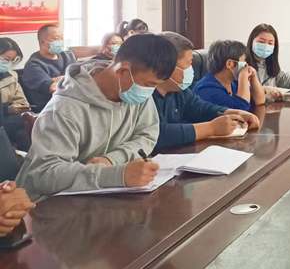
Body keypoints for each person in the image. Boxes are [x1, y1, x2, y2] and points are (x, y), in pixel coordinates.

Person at [16, 33, 175, 201]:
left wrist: (112, 160)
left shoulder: (134, 91)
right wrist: (115, 175)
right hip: (47, 204)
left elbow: (147, 134)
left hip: (101, 197)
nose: (149, 91)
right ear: (123, 70)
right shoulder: (64, 108)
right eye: (149, 84)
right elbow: (44, 174)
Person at [153, 32, 260, 153]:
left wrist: (234, 112)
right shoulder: (146, 95)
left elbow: (200, 108)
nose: (191, 69)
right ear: (167, 66)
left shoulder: (180, 91)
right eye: (189, 64)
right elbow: (157, 133)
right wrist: (211, 128)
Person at [194, 40, 268, 111]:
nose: (246, 65)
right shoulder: (207, 89)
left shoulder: (233, 83)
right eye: (244, 61)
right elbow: (241, 110)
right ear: (230, 64)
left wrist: (254, 77)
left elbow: (260, 101)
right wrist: (243, 77)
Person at [21, 24, 77, 110]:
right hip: (50, 109)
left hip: (72, 103)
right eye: (56, 39)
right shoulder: (33, 65)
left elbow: (81, 79)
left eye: (62, 38)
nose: (61, 42)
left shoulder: (68, 56)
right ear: (42, 42)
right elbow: (54, 88)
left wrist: (60, 79)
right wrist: (69, 78)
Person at [0, 38, 31, 150]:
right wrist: (6, 109)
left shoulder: (11, 76)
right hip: (5, 120)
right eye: (6, 59)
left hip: (9, 121)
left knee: (25, 126)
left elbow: (22, 101)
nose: (8, 64)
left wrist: (18, 108)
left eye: (12, 61)